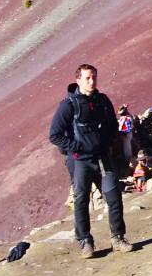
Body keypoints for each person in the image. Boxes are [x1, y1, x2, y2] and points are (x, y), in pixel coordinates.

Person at [48, 63, 133, 258]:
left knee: (113, 196)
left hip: (103, 157)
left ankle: (118, 238)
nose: (92, 81)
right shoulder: (69, 105)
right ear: (78, 80)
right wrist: (76, 147)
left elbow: (113, 125)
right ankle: (85, 242)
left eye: (94, 77)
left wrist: (108, 143)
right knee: (81, 200)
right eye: (87, 78)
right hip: (80, 161)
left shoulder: (102, 100)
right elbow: (55, 135)